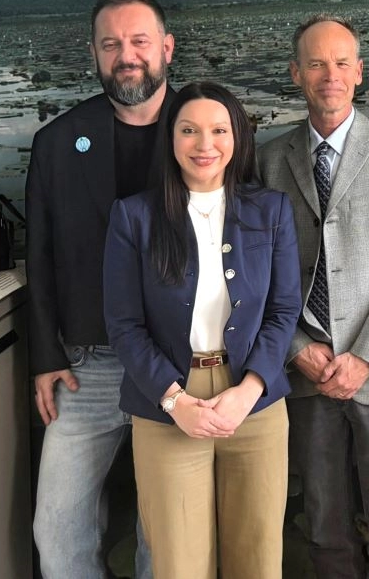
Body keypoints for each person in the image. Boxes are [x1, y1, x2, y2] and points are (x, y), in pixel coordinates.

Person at [103, 81, 302, 579]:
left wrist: (249, 390)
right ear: (171, 138)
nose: (204, 144)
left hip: (254, 401)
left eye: (219, 130)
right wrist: (175, 402)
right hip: (168, 402)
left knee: (258, 559)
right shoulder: (134, 216)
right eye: (189, 130)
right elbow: (124, 326)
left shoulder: (271, 211)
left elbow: (283, 310)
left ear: (237, 138)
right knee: (179, 564)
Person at [258, 15, 369, 579]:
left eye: (340, 63)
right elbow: (259, 272)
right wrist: (296, 349)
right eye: (316, 64)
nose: (329, 75)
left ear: (359, 72)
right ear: (296, 73)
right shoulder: (268, 159)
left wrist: (364, 356)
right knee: (323, 527)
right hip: (306, 373)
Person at [26, 0, 172, 579]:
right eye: (111, 44)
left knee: (164, 535)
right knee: (56, 531)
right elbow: (39, 256)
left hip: (177, 362)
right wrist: (45, 354)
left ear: (166, 47)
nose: (126, 55)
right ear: (94, 53)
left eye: (139, 41)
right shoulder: (57, 142)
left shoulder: (210, 128)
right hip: (87, 365)